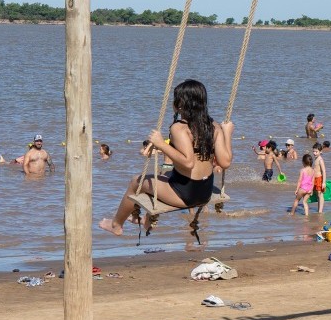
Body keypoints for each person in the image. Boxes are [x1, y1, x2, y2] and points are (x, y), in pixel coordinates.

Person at [99, 79, 234, 244]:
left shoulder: (179, 128)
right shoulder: (214, 126)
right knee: (165, 174)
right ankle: (147, 220)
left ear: (180, 104)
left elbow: (188, 163)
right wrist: (227, 133)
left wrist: (161, 144)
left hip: (187, 194)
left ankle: (116, 225)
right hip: (205, 192)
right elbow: (225, 162)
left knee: (136, 182)